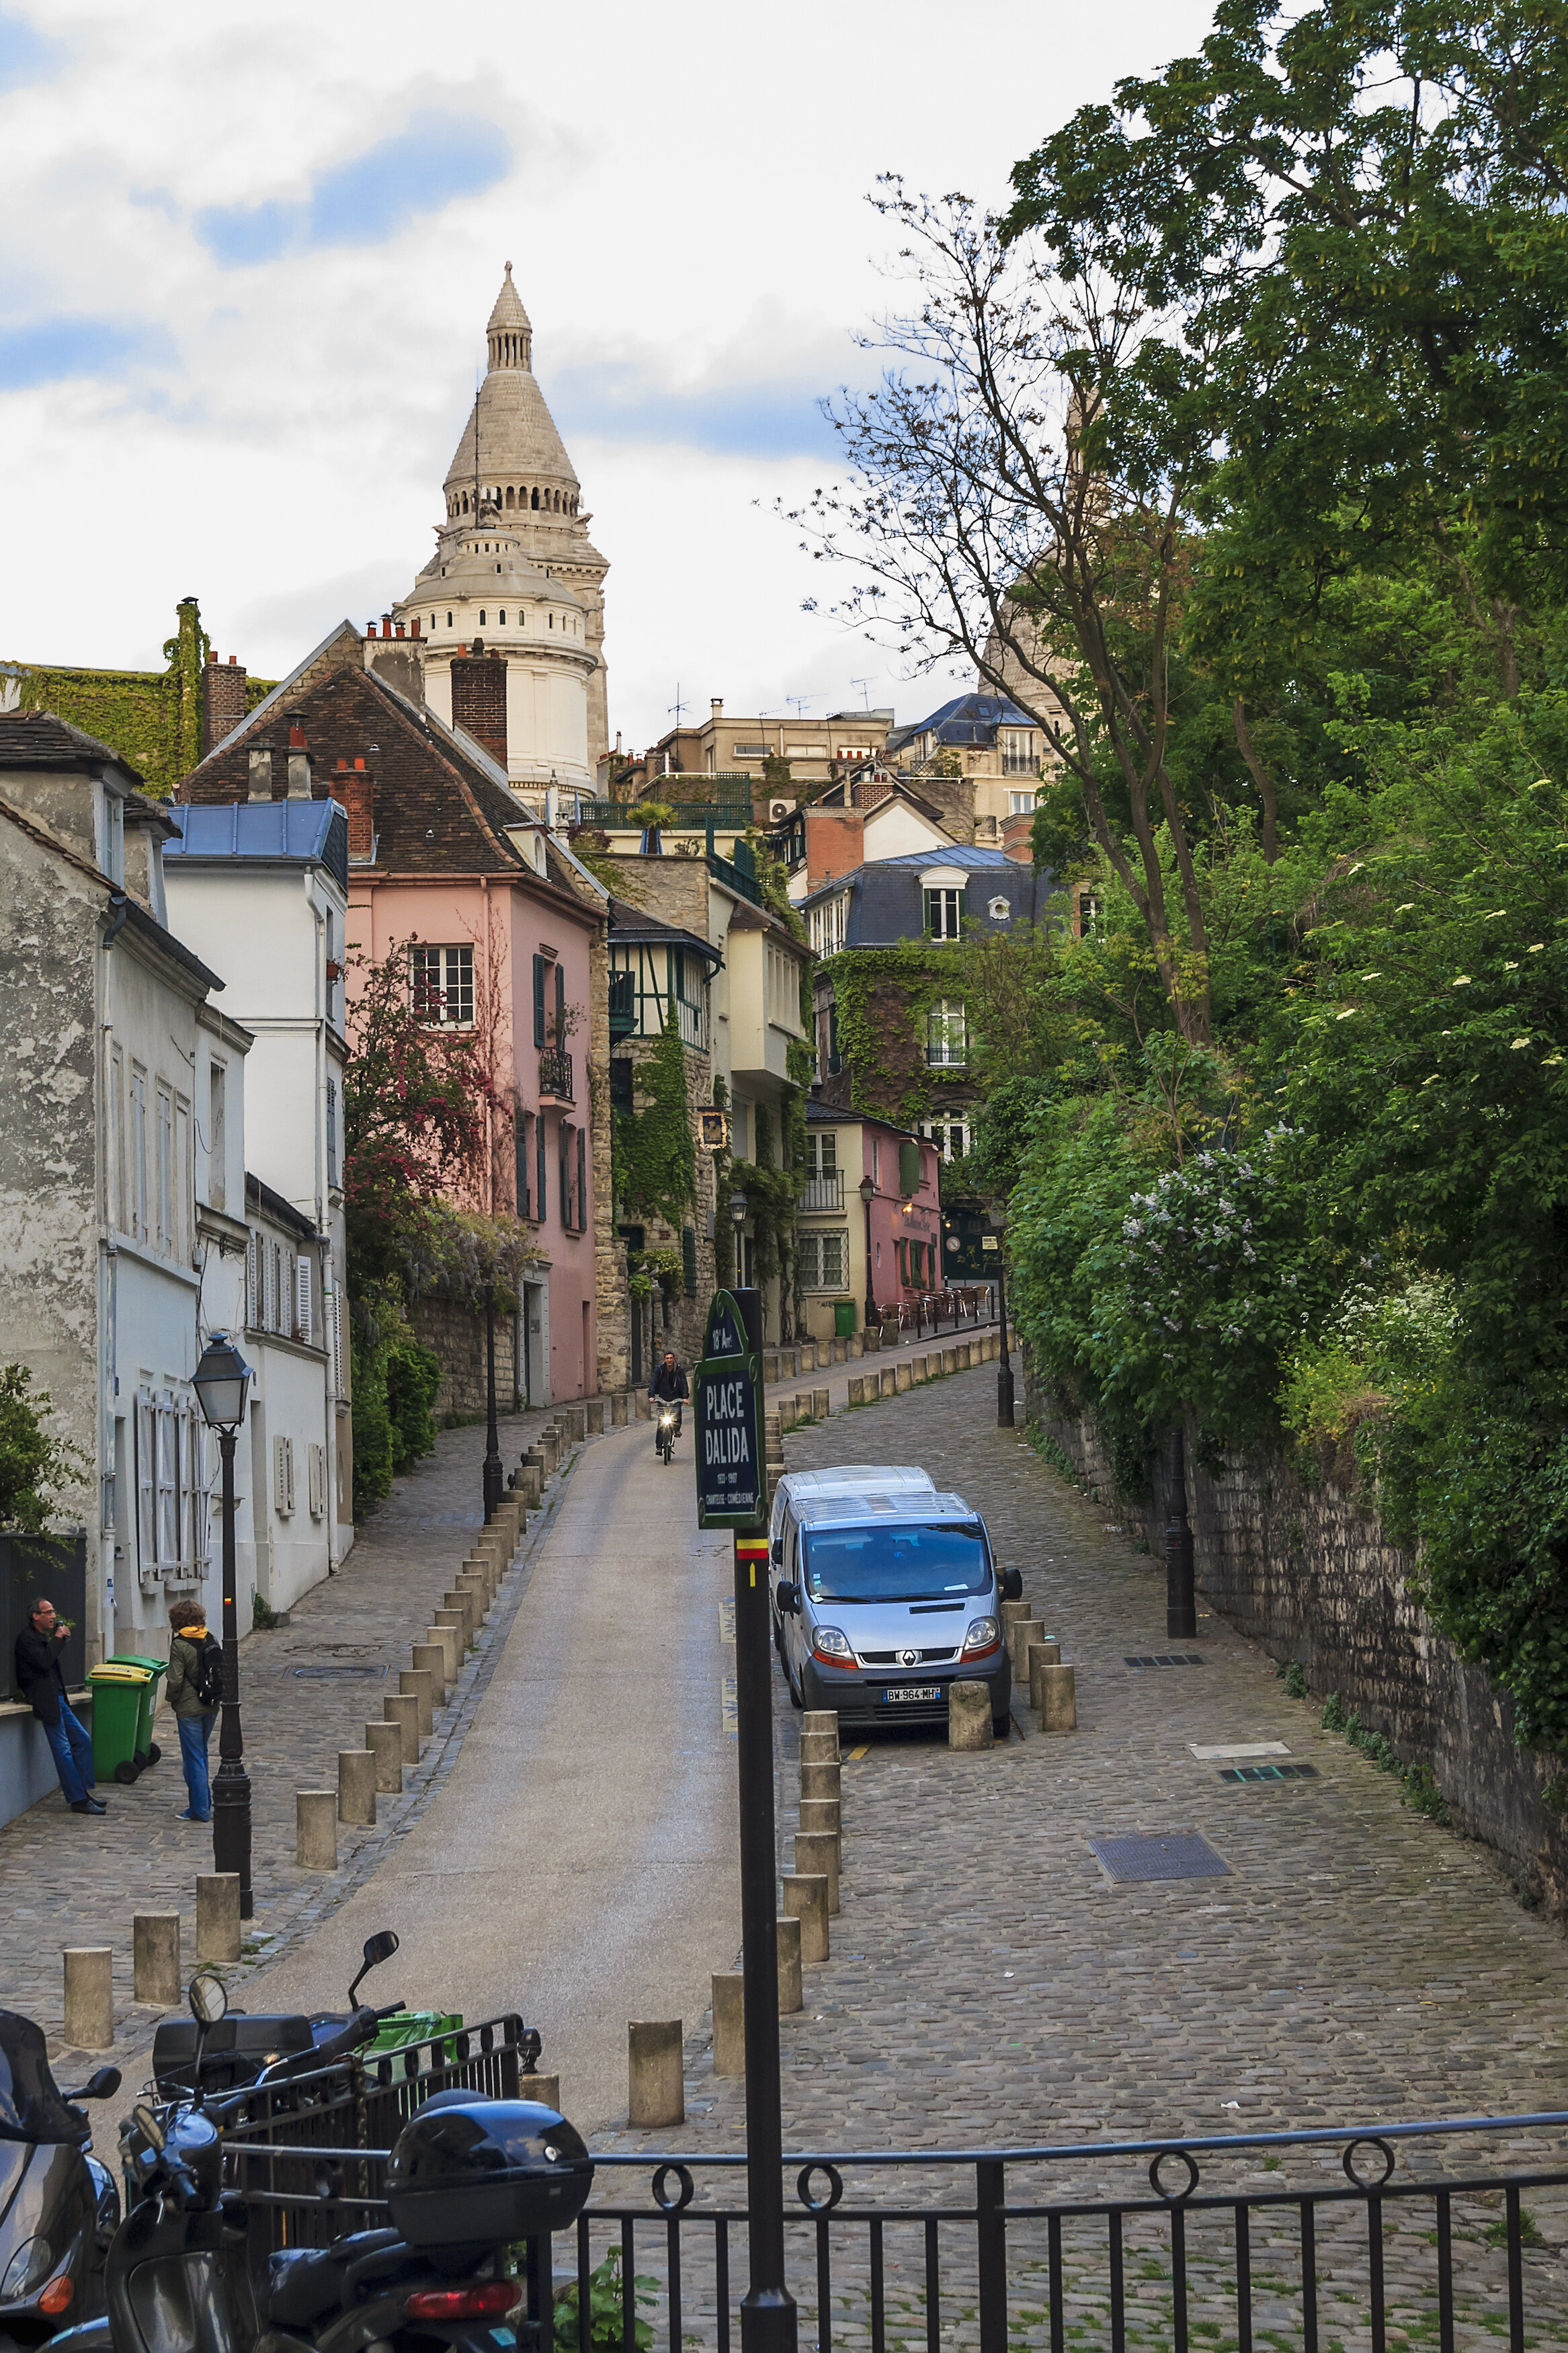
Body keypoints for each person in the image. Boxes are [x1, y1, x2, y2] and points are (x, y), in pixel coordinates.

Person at [14, 1599, 103, 1816]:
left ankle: (83, 1791)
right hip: (45, 1700)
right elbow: (43, 1663)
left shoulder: (43, 1637)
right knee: (63, 1750)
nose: (54, 1616)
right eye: (49, 1612)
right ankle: (78, 1800)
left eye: (54, 1611)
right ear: (36, 1616)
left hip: (58, 1698)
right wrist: (57, 1640)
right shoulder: (27, 1639)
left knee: (82, 1740)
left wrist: (59, 1641)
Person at [164, 1597, 219, 1825]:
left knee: (193, 1758)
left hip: (189, 1708)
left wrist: (171, 1699)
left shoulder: (180, 1644)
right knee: (201, 1753)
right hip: (211, 1704)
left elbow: (175, 1679)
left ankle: (200, 1810)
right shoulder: (209, 1637)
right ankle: (204, 1803)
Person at [648, 1349, 689, 1444]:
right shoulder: (660, 1369)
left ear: (674, 1359)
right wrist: (651, 1396)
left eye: (671, 1358)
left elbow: (684, 1383)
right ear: (664, 1360)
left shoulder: (679, 1369)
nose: (669, 1360)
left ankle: (677, 1429)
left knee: (677, 1413)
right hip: (663, 1396)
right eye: (667, 1358)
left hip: (676, 1396)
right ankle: (659, 1446)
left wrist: (685, 1397)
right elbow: (654, 1382)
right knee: (661, 1423)